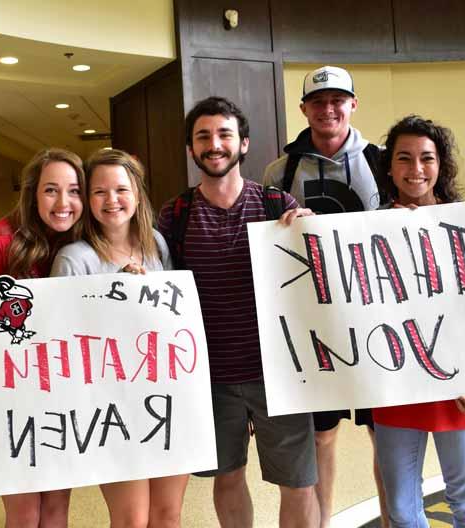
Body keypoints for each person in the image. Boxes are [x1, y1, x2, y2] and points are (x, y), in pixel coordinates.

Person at [158, 96, 319, 528]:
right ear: (191, 149)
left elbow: (313, 278)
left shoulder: (276, 204)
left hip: (280, 373)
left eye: (224, 134)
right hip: (210, 378)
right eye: (203, 137)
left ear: (243, 144)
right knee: (226, 477)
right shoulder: (175, 215)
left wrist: (310, 231)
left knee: (298, 483)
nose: (215, 144)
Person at [264, 65, 387, 527]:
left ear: (353, 104)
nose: (328, 109)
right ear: (303, 109)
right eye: (318, 101)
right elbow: (269, 247)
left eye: (337, 100)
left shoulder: (382, 161)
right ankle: (326, 520)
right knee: (322, 437)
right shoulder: (281, 171)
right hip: (314, 327)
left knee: (385, 435)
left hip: (377, 321)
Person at [51, 148, 188, 528]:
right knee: (131, 518)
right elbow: (63, 338)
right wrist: (113, 295)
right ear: (87, 199)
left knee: (167, 515)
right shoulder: (74, 258)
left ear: (138, 194)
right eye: (99, 192)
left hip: (164, 397)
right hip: (110, 407)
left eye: (121, 189)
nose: (112, 200)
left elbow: (172, 319)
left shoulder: (157, 245)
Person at [373, 114, 465, 527]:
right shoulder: (365, 230)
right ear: (389, 167)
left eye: (426, 158)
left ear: (440, 165)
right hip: (397, 388)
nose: (416, 170)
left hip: (461, 387)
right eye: (404, 158)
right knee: (402, 509)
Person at [0, 148, 85, 527]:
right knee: (24, 511)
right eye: (52, 190)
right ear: (33, 193)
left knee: (57, 508)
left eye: (74, 190)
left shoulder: (78, 245)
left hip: (63, 396)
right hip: (11, 399)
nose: (64, 202)